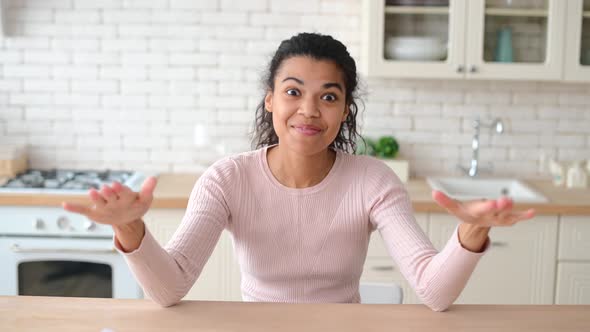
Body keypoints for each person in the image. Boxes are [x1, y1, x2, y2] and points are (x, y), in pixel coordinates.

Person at [62, 32, 535, 311]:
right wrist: (130, 229)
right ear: (270, 99)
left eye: (328, 96)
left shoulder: (373, 181)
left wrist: (471, 231)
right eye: (293, 92)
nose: (308, 110)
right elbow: (170, 290)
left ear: (346, 110)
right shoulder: (228, 179)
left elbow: (433, 293)